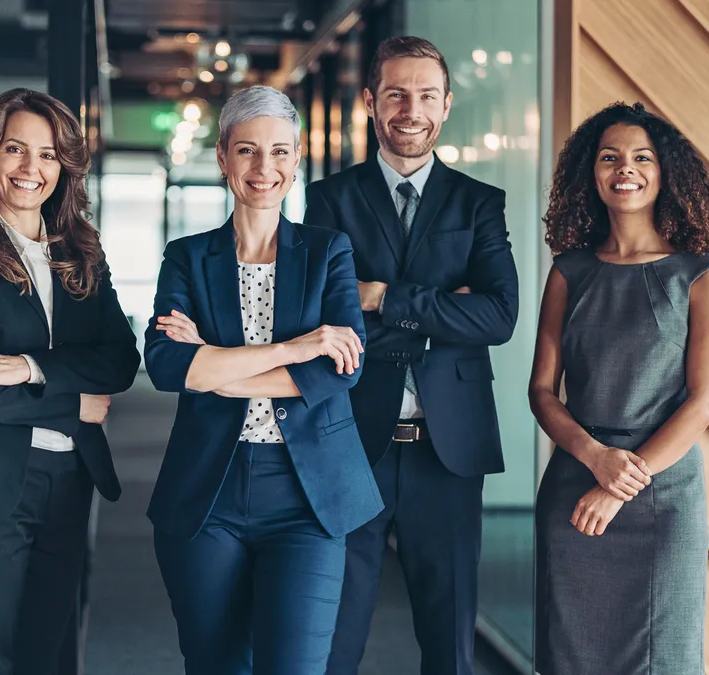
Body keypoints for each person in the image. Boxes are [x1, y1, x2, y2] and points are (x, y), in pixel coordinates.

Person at [145, 85, 383, 675]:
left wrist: (216, 365)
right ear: (223, 156)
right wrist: (292, 349)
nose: (264, 167)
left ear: (296, 159)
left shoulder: (330, 252)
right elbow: (171, 367)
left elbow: (337, 374)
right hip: (209, 492)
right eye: (247, 150)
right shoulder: (186, 257)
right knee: (215, 665)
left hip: (308, 496)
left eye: (279, 152)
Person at [304, 36, 520, 675]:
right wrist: (440, 310)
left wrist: (384, 297)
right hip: (351, 443)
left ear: (447, 105)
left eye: (426, 94)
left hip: (446, 451)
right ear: (371, 101)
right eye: (396, 93)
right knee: (335, 635)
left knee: (449, 641)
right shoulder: (330, 199)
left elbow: (499, 317)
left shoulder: (479, 202)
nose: (411, 108)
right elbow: (326, 317)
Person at [0, 87, 140, 675]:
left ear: (63, 168)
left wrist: (25, 366)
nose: (31, 169)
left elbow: (119, 361)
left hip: (68, 483)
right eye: (15, 149)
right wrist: (75, 407)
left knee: (49, 656)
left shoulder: (81, 255)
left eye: (47, 155)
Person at [530, 102, 709, 675]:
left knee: (661, 659)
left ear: (665, 173)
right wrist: (594, 458)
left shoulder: (702, 273)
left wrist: (619, 486)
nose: (626, 168)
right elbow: (542, 391)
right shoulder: (569, 270)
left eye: (642, 157)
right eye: (610, 157)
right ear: (590, 174)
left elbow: (703, 404)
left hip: (661, 496)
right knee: (570, 657)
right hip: (575, 485)